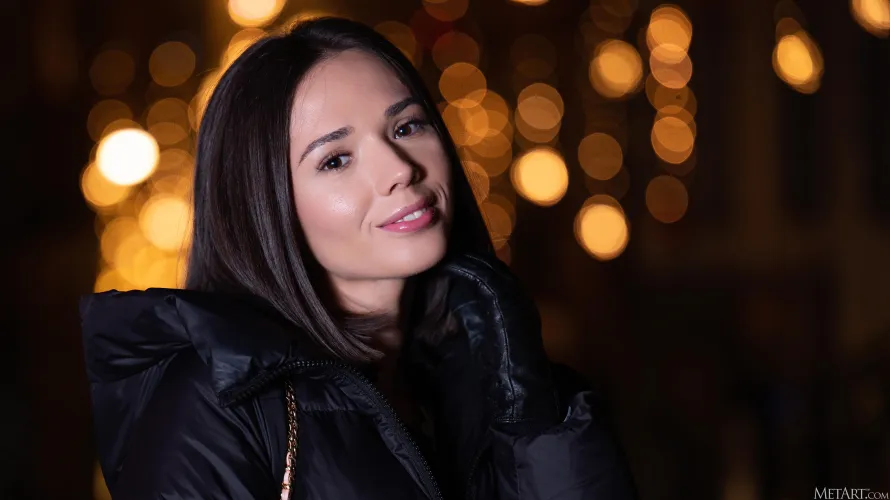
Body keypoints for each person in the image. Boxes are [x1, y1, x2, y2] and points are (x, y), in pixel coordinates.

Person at [80, 16, 638, 500]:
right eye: (336, 159)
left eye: (406, 127)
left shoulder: (474, 373)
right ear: (264, 205)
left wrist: (534, 421)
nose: (400, 169)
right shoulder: (214, 405)